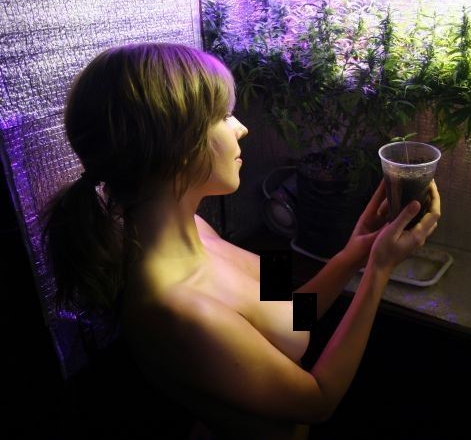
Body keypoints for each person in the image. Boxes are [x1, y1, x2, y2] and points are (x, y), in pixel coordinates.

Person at [42, 42, 441, 440]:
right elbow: (318, 401)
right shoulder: (175, 309)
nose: (241, 128)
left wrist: (354, 252)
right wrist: (378, 270)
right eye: (222, 116)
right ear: (178, 146)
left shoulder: (198, 229)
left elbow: (292, 312)